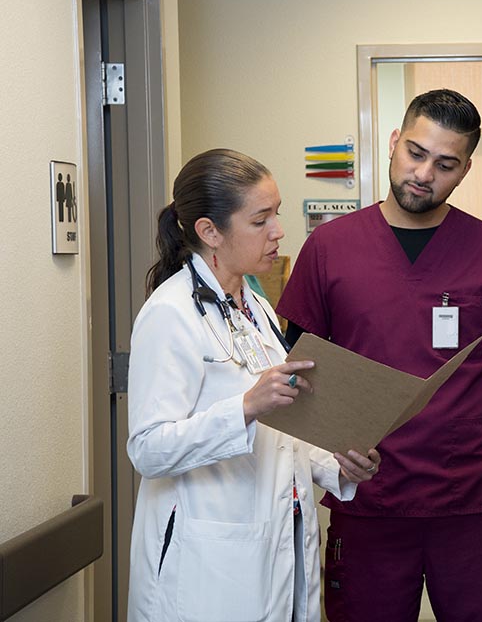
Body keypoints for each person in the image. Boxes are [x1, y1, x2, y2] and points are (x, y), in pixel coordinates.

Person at [277, 89, 482, 621]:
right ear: (394, 142)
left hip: (472, 501)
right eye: (416, 154)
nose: (424, 174)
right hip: (366, 498)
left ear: (465, 170)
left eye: (445, 164)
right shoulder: (330, 249)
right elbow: (296, 373)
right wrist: (329, 456)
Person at [126, 148, 381, 622]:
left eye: (276, 214)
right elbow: (147, 449)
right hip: (207, 562)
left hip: (278, 537)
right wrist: (243, 407)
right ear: (210, 232)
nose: (278, 231)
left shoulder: (255, 306)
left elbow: (281, 429)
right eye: (261, 219)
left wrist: (337, 465)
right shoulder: (170, 314)